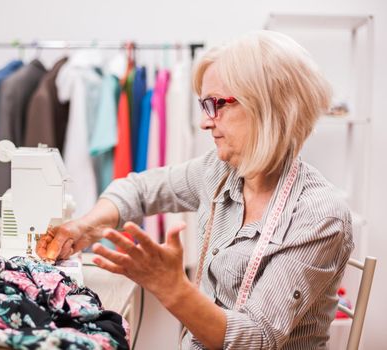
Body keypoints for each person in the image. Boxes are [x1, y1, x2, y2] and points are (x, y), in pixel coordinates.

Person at [37, 30, 354, 349]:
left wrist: (171, 287)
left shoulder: (317, 215)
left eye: (216, 104)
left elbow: (255, 339)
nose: (205, 122)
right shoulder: (220, 171)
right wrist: (88, 227)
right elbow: (139, 189)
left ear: (268, 107)